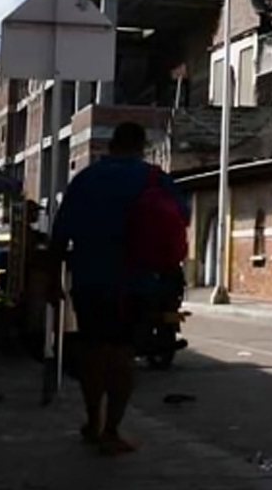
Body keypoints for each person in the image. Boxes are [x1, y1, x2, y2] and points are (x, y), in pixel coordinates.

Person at [50, 122, 186, 456]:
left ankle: (92, 420)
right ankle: (112, 429)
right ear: (140, 146)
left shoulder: (85, 179)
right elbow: (180, 218)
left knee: (94, 351)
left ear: (111, 145)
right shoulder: (154, 179)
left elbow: (59, 233)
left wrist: (54, 281)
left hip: (88, 281)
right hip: (135, 282)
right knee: (123, 354)